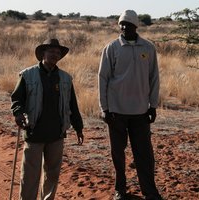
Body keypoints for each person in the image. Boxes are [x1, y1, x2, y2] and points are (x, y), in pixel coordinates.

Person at [98, 10, 162, 200]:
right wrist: (104, 108)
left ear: (136, 26)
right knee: (118, 154)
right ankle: (120, 190)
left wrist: (153, 105)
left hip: (141, 111)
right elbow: (103, 79)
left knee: (144, 155)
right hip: (116, 112)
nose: (124, 27)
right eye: (122, 24)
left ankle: (149, 191)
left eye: (128, 24)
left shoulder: (148, 48)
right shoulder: (111, 48)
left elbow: (154, 78)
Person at [11, 38, 84, 200]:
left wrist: (78, 127)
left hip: (56, 134)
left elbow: (73, 105)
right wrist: (18, 113)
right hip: (34, 132)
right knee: (30, 175)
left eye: (57, 52)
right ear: (43, 53)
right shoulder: (27, 75)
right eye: (51, 51)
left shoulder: (65, 78)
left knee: (52, 174)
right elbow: (17, 99)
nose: (54, 54)